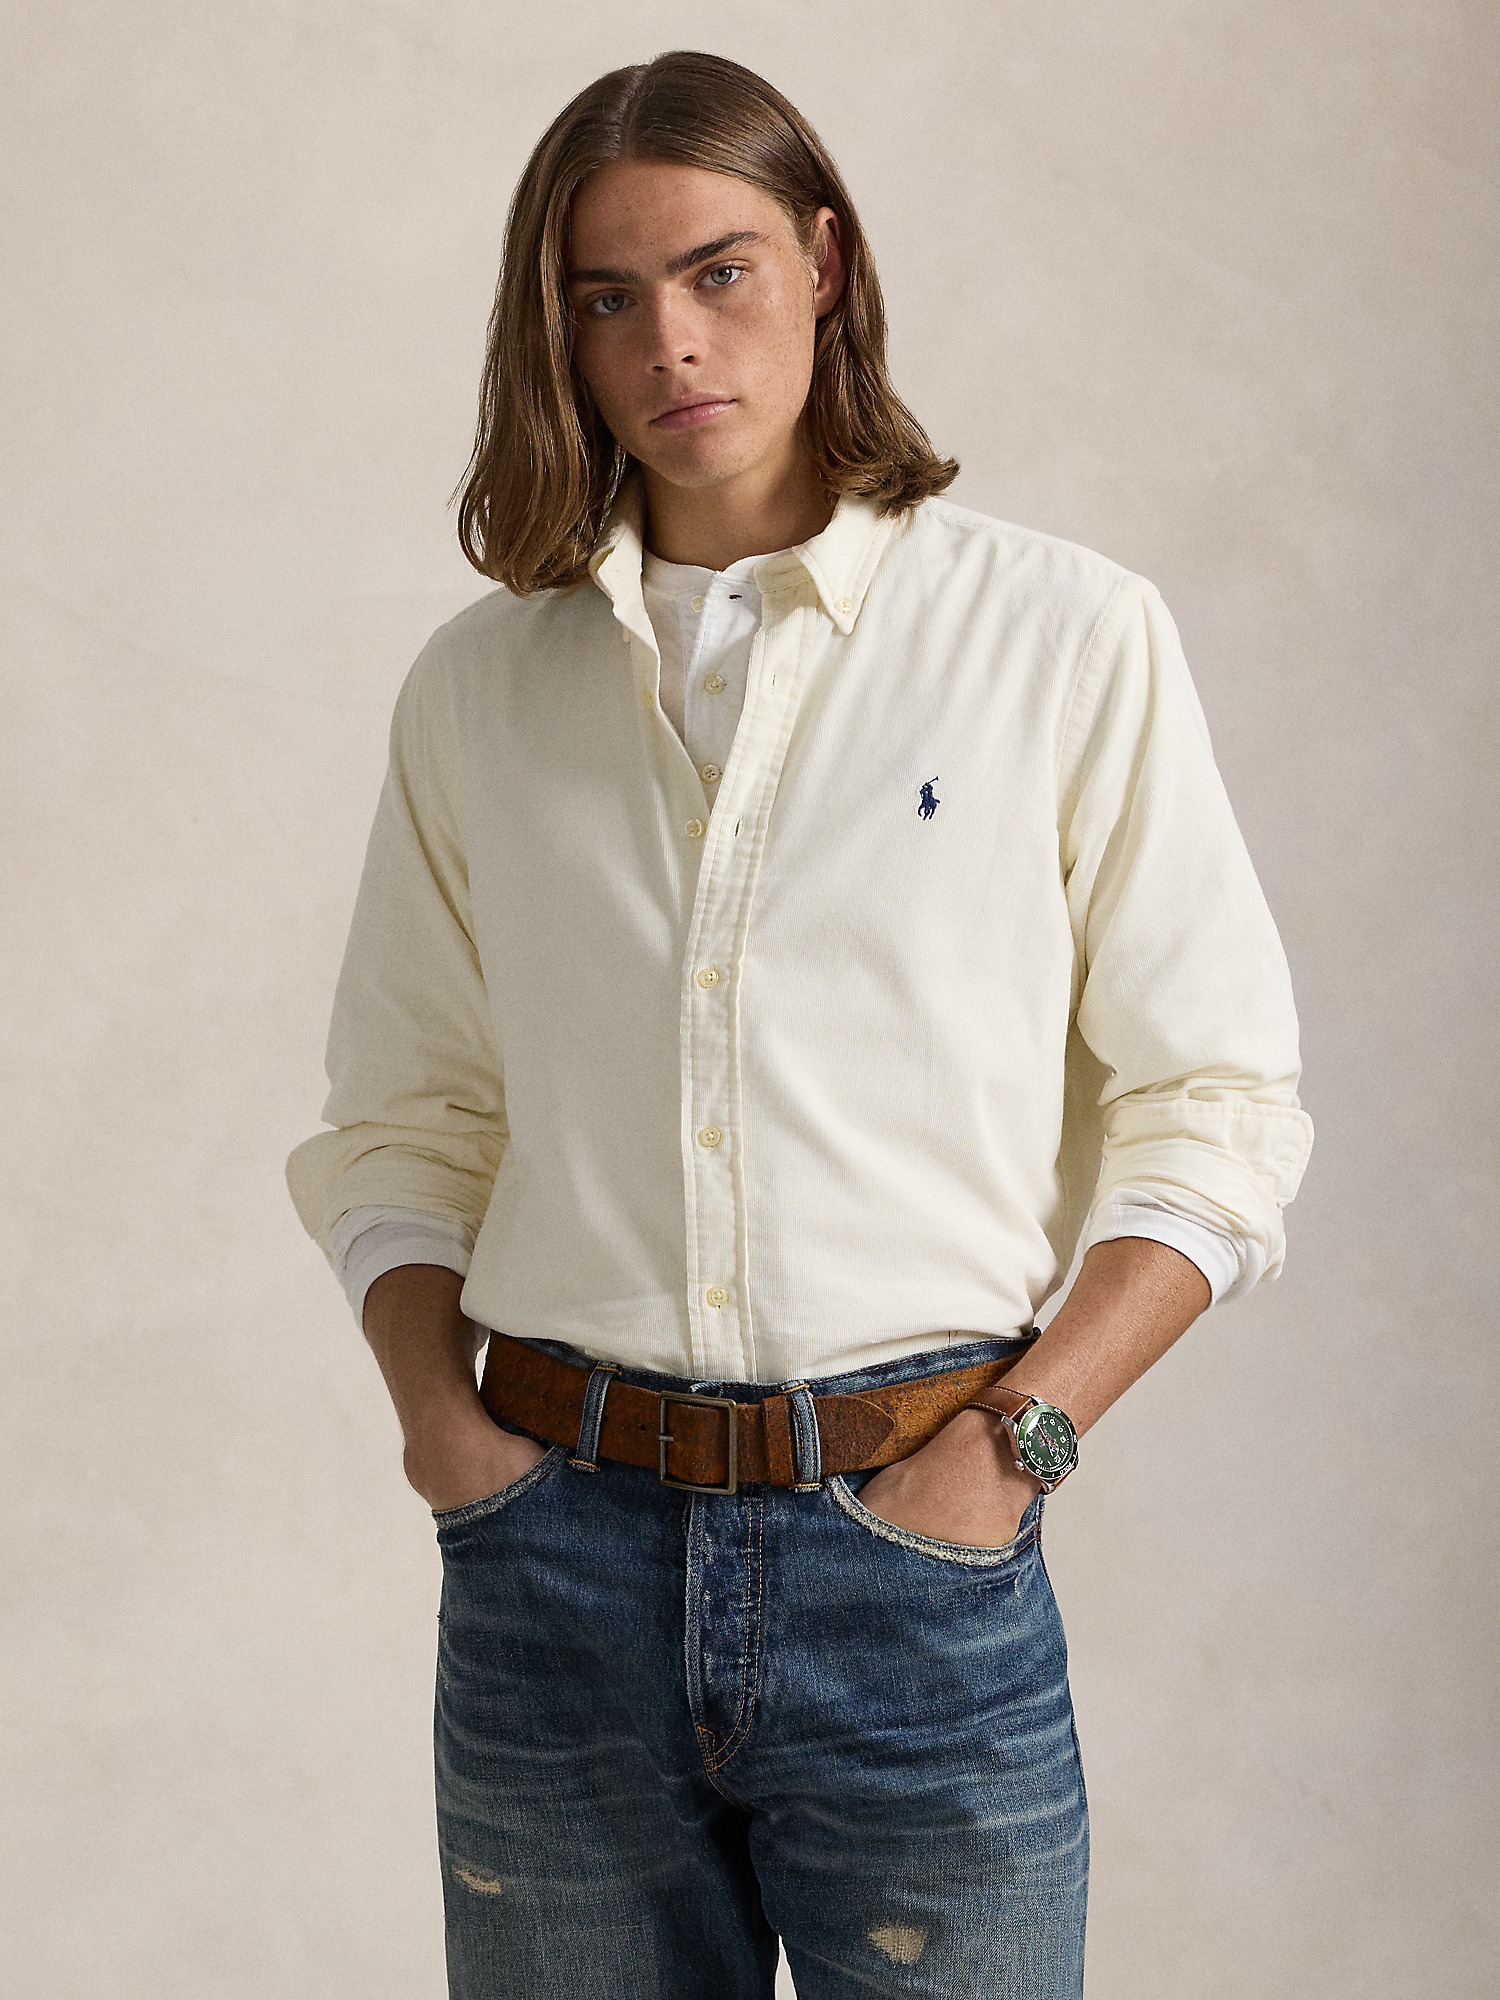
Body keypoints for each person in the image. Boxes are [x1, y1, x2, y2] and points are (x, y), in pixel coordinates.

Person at [287, 49, 1312, 2000]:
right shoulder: (479, 690)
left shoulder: (1060, 637)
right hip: (551, 1569)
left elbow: (1222, 1103)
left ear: (825, 263)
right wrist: (444, 1430)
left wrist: (1017, 1444)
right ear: (559, 335)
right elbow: (405, 1120)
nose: (671, 341)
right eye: (608, 297)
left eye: (720, 270)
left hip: (916, 1562)